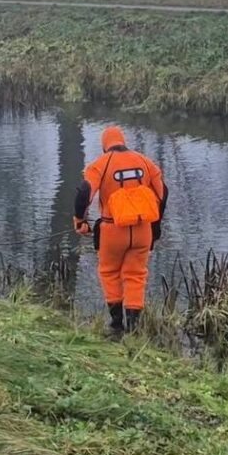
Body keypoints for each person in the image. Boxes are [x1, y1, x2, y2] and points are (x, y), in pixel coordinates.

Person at [73, 126, 168, 338]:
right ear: (123, 141)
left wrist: (80, 221)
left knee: (110, 273)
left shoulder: (100, 165)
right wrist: (156, 226)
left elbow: (84, 193)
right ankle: (134, 327)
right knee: (136, 275)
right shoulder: (145, 161)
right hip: (143, 230)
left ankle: (116, 325)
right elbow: (162, 193)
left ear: (105, 145)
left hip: (112, 230)